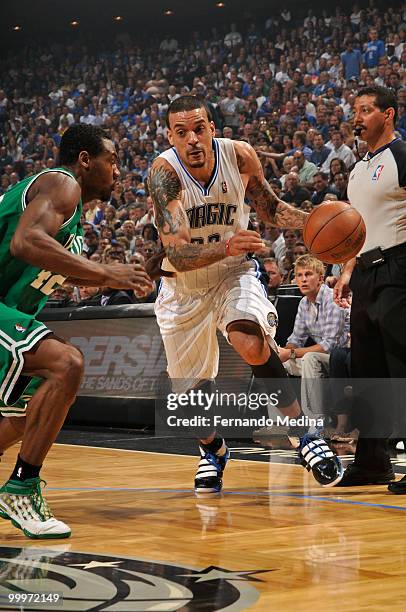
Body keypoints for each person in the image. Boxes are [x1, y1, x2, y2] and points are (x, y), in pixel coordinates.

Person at [148, 95, 343, 495]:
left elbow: (268, 208)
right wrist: (227, 245)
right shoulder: (163, 173)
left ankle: (304, 434)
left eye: (199, 129)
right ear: (171, 136)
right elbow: (178, 253)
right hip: (183, 287)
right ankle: (213, 451)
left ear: (211, 129)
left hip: (232, 273)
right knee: (191, 402)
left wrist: (320, 222)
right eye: (181, 132)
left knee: (251, 342)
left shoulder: (239, 157)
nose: (192, 140)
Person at [0, 124, 153, 538]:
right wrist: (106, 273)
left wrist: (129, 273)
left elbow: (43, 265)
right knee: (66, 364)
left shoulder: (74, 220)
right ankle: (21, 487)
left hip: (6, 311)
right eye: (113, 160)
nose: (119, 170)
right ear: (85, 160)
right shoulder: (61, 183)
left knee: (27, 409)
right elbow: (25, 242)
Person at [333, 86, 406, 489]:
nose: (357, 117)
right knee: (368, 372)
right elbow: (357, 228)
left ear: (388, 114)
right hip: (364, 270)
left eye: (365, 110)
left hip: (399, 265)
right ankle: (373, 463)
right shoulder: (359, 167)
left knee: (402, 366)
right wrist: (346, 271)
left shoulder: (402, 155)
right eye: (354, 110)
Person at [278, 255, 350, 418]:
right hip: (322, 359)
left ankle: (316, 423)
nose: (303, 280)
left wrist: (291, 354)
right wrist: (283, 352)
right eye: (299, 275)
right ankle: (280, 425)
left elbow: (329, 346)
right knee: (276, 364)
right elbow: (296, 339)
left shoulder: (333, 299)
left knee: (311, 358)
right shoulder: (304, 303)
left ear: (320, 279)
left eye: (308, 274)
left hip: (342, 360)